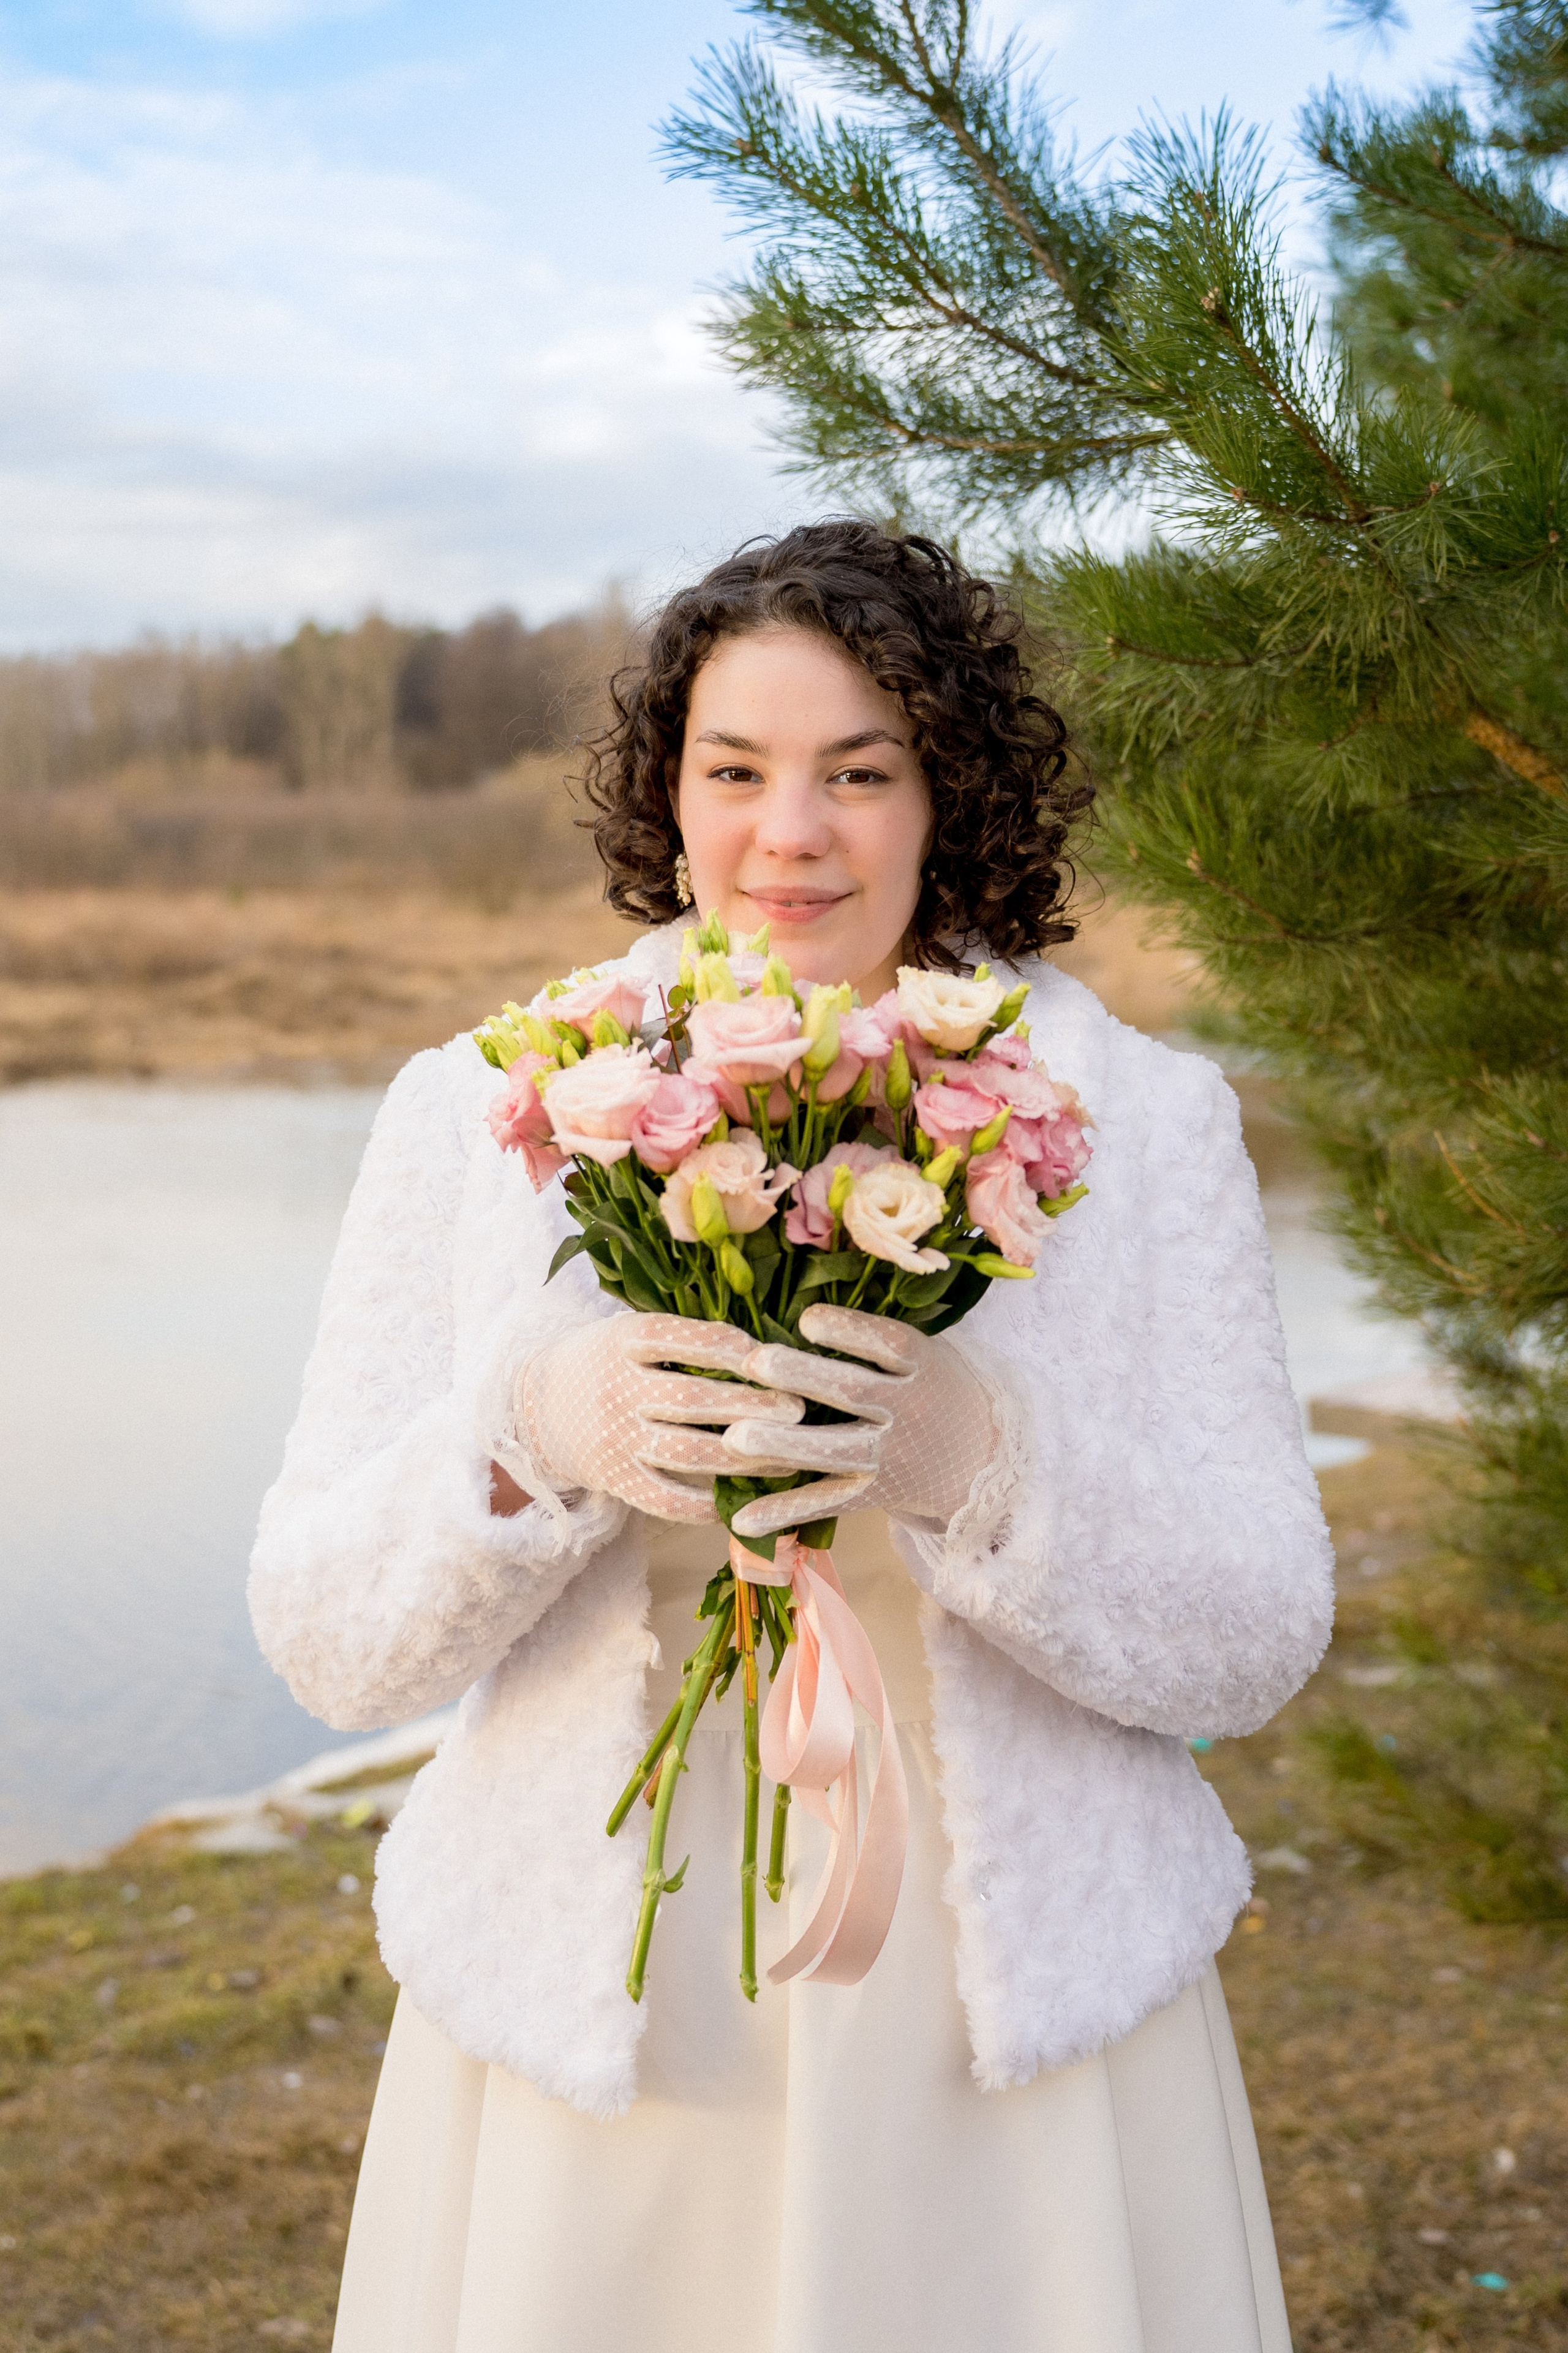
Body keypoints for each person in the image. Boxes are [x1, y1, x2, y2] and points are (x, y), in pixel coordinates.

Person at [249, 521, 1335, 2353]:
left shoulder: (1140, 1126)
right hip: (612, 2002)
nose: (791, 833)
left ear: (949, 791)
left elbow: (1256, 1625)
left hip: (1007, 2019)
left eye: (860, 771)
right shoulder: (490, 1112)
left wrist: (988, 1468)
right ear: (666, 795)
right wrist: (524, 1431)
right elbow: (324, 1635)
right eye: (735, 770)